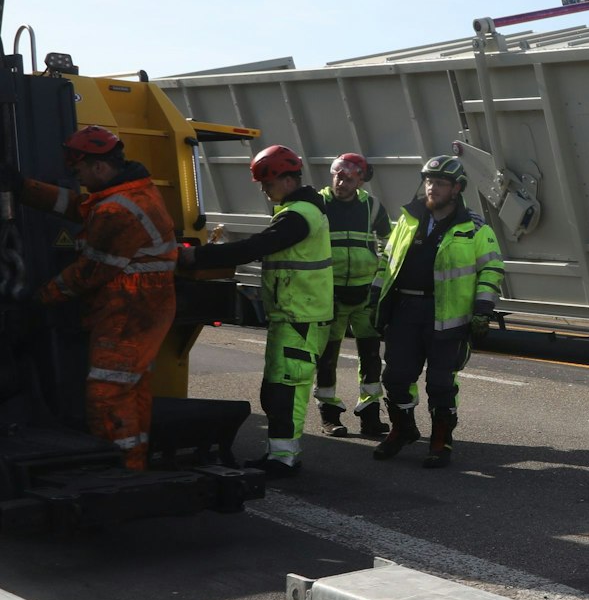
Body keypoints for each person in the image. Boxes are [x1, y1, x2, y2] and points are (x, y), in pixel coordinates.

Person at [0, 127, 177, 470]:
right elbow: (78, 206)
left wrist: (37, 299)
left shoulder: (117, 211)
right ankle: (134, 462)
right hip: (144, 305)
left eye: (78, 170)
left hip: (130, 309)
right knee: (131, 387)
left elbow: (87, 273)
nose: (77, 178)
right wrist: (24, 189)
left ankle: (117, 470)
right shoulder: (128, 194)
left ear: (98, 167)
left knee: (106, 393)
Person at [178, 144, 332, 478]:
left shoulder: (299, 216)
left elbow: (254, 248)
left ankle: (284, 459)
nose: (264, 190)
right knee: (277, 389)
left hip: (299, 318)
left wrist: (197, 257)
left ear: (288, 180)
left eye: (268, 183)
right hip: (293, 316)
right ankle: (279, 455)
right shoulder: (298, 212)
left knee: (285, 390)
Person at [371, 153, 504, 469]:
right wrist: (374, 299)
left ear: (457, 188)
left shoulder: (474, 228)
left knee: (441, 383)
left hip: (448, 317)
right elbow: (386, 263)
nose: (432, 188)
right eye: (429, 181)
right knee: (395, 376)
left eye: (440, 183)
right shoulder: (407, 220)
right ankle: (402, 429)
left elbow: (492, 269)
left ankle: (441, 440)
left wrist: (483, 310)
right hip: (405, 311)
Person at [314, 153, 392, 437]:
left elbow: (389, 245)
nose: (340, 181)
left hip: (364, 297)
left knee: (371, 357)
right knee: (327, 357)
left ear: (361, 180)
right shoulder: (317, 204)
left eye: (347, 177)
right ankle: (329, 415)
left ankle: (370, 415)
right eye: (336, 174)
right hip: (329, 295)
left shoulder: (372, 207)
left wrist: (378, 281)